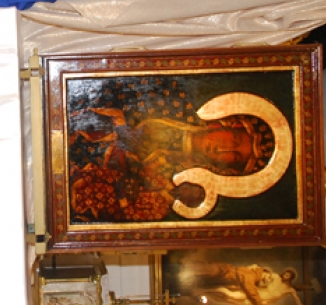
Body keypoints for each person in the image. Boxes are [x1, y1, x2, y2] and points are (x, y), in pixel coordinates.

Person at [67, 89, 276, 222]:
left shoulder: (180, 181)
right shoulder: (178, 105)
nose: (224, 150)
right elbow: (125, 97)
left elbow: (129, 203)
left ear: (228, 169)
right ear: (227, 123)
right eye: (234, 140)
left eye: (235, 157)